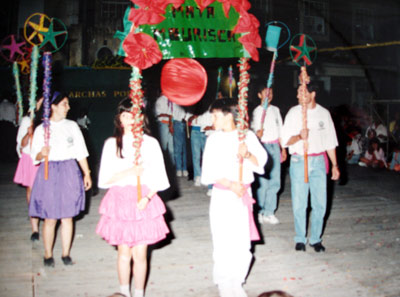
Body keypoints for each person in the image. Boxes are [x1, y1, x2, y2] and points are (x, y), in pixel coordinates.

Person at [96, 98, 170, 297]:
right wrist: (130, 171)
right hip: (120, 201)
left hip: (144, 199)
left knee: (140, 254)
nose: (130, 119)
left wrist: (147, 198)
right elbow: (104, 180)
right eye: (125, 115)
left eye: (134, 115)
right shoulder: (112, 144)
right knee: (124, 253)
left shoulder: (151, 143)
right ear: (119, 118)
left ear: (142, 118)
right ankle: (124, 293)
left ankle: (139, 293)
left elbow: (160, 178)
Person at [201, 98, 267, 297]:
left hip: (243, 194)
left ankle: (237, 280)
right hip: (223, 195)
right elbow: (208, 173)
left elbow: (261, 163)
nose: (212, 119)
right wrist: (230, 184)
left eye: (216, 115)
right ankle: (223, 282)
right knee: (222, 239)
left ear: (229, 116)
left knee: (241, 241)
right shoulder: (213, 139)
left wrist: (247, 155)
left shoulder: (247, 136)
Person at [29, 92, 92, 267]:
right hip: (49, 171)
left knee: (67, 217)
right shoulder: (42, 129)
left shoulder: (72, 126)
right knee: (50, 218)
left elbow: (80, 152)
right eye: (65, 104)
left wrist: (87, 173)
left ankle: (65, 253)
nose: (68, 107)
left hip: (69, 170)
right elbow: (35, 156)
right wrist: (43, 152)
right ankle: (48, 254)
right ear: (54, 106)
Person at [282, 81, 340, 253]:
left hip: (319, 162)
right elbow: (285, 140)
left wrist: (335, 165)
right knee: (300, 203)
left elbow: (330, 142)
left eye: (302, 92)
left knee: (320, 203)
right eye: (298, 92)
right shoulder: (293, 113)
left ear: (313, 94)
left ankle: (316, 239)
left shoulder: (324, 114)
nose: (298, 96)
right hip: (300, 161)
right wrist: (299, 136)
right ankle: (300, 238)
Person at [251, 86, 287, 225]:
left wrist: (283, 149)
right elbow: (252, 134)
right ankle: (259, 211)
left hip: (275, 146)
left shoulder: (276, 110)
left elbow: (281, 131)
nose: (268, 95)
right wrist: (257, 135)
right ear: (259, 95)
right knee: (263, 182)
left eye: (270, 92)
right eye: (265, 93)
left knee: (275, 181)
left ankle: (269, 212)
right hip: (263, 146)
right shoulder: (256, 112)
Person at [13, 97, 43, 241]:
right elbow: (21, 144)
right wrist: (28, 133)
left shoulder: (47, 119)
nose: (41, 105)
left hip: (44, 158)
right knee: (32, 192)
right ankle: (35, 229)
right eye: (39, 102)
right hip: (30, 159)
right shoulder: (26, 120)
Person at [188, 108, 212, 186]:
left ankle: (206, 176)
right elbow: (188, 119)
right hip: (195, 131)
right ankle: (197, 176)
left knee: (206, 156)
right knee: (196, 155)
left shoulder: (208, 107)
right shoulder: (192, 106)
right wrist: (194, 116)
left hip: (206, 131)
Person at [154, 93, 174, 165]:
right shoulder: (160, 100)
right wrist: (168, 116)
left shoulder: (171, 100)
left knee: (171, 147)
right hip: (163, 124)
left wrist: (170, 120)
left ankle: (172, 165)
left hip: (171, 123)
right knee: (164, 146)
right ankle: (164, 165)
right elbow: (158, 114)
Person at [172, 102, 188, 177]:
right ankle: (180, 169)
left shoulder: (185, 101)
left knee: (183, 148)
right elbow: (171, 114)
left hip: (184, 124)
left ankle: (183, 169)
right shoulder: (175, 102)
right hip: (178, 123)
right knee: (179, 148)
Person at [0, 97, 17, 161]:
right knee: (10, 141)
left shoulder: (0, 105)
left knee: (2, 141)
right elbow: (14, 117)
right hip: (9, 124)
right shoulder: (11, 105)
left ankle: (3, 156)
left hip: (1, 124)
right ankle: (9, 156)